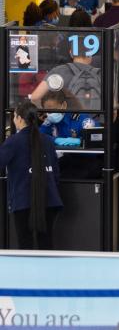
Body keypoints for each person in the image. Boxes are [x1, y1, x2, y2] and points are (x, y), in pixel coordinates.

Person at [0, 102, 62, 249]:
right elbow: (56, 173)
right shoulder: (47, 140)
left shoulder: (13, 142)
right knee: (46, 244)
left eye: (14, 116)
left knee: (25, 245)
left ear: (20, 119)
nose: (14, 120)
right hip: (50, 200)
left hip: (23, 201)